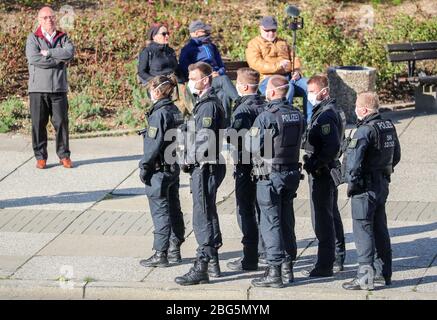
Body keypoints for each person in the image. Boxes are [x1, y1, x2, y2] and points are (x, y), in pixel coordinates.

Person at [247, 75, 305, 288]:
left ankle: (274, 271)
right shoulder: (297, 114)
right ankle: (288, 267)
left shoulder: (266, 117)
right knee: (287, 219)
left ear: (271, 92)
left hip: (270, 176)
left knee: (270, 222)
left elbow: (251, 145)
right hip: (291, 173)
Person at [175, 62, 226, 286]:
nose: (189, 81)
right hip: (207, 164)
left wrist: (187, 160)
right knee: (208, 211)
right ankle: (213, 262)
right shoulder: (202, 103)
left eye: (193, 77)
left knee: (201, 215)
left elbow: (204, 139)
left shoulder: (208, 106)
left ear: (205, 80)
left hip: (205, 166)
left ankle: (202, 265)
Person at [342, 92, 401, 290]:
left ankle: (364, 277)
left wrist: (352, 184)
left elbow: (353, 164)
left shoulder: (364, 131)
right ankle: (384, 274)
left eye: (357, 106)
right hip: (382, 185)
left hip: (365, 188)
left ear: (364, 110)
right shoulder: (388, 126)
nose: (355, 110)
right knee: (380, 229)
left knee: (363, 231)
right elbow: (397, 156)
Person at [138, 74, 186, 268]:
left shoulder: (159, 114)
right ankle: (175, 249)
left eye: (151, 89)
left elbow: (152, 145)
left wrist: (144, 167)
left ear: (157, 91)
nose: (150, 92)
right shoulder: (175, 110)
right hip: (172, 167)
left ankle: (161, 253)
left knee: (160, 212)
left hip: (159, 170)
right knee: (174, 209)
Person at [301, 74, 346, 277]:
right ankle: (337, 256)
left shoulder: (326, 115)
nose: (309, 96)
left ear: (324, 91)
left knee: (323, 218)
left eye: (312, 92)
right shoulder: (327, 110)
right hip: (326, 169)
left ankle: (326, 263)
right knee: (331, 213)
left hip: (323, 172)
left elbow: (332, 146)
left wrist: (315, 163)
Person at [226, 67, 266, 272]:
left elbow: (235, 138)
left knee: (246, 212)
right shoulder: (265, 104)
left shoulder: (243, 109)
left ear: (241, 86)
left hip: (246, 165)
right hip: (265, 165)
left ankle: (250, 257)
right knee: (264, 211)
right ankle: (267, 251)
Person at [25, 6, 75, 169]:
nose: (49, 20)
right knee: (38, 124)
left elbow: (69, 53)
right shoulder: (33, 38)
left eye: (52, 17)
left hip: (59, 89)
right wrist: (57, 59)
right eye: (45, 17)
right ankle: (40, 157)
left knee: (61, 123)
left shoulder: (63, 37)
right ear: (39, 20)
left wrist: (48, 52)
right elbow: (34, 59)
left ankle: (64, 155)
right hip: (38, 89)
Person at [246, 16, 312, 122]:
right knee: (287, 87)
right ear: (260, 28)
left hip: (289, 77)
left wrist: (297, 71)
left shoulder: (283, 42)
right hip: (268, 80)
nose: (271, 33)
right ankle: (285, 120)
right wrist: (278, 66)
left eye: (273, 30)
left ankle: (308, 122)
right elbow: (256, 64)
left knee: (310, 85)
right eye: (267, 30)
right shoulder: (254, 44)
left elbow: (294, 58)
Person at [178, 20, 238, 125]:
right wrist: (208, 74)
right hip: (201, 82)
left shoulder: (212, 46)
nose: (207, 32)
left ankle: (225, 125)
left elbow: (222, 66)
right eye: (204, 31)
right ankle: (240, 102)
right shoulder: (187, 50)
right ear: (195, 33)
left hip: (216, 80)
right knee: (224, 79)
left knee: (224, 95)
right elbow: (186, 70)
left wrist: (219, 72)